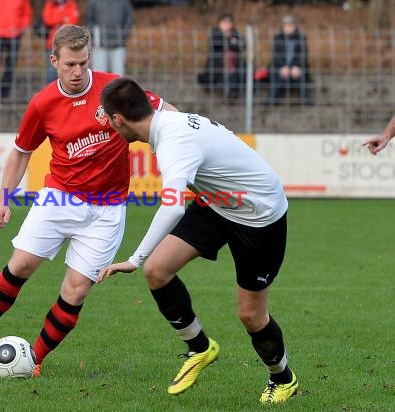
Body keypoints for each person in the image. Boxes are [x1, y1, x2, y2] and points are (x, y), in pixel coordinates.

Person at [0, 25, 176, 376]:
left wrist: (192, 136)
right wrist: (2, 200)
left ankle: (34, 361)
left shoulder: (113, 88)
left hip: (107, 209)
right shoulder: (43, 103)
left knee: (76, 289)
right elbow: (21, 153)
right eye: (69, 64)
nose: (77, 72)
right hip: (59, 197)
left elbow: (164, 114)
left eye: (83, 63)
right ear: (53, 60)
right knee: (20, 265)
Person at [97, 77, 298, 404]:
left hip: (259, 215)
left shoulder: (174, 143)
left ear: (119, 120)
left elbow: (173, 207)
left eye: (108, 119)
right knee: (158, 270)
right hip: (217, 202)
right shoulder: (163, 121)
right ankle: (200, 348)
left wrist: (134, 258)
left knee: (251, 315)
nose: (109, 125)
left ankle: (283, 378)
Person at [0, 0, 33, 111]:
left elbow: (27, 12)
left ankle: (5, 94)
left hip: (15, 33)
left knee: (11, 64)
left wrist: (22, 27)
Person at [197, 13, 246, 101]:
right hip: (217, 64)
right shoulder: (215, 33)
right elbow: (216, 44)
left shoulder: (236, 33)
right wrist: (230, 41)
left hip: (235, 64)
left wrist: (230, 42)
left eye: (230, 22)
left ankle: (231, 91)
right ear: (220, 23)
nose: (228, 25)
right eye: (225, 22)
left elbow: (242, 46)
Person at [267, 15, 312, 106]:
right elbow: (275, 56)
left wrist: (297, 66)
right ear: (283, 26)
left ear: (295, 26)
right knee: (278, 81)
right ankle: (271, 102)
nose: (289, 27)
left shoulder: (301, 38)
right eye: (286, 25)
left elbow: (304, 55)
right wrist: (283, 67)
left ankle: (306, 103)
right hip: (281, 68)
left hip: (296, 68)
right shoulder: (277, 38)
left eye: (291, 25)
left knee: (301, 79)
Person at [86, 0, 133, 76]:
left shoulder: (124, 2)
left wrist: (122, 35)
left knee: (118, 73)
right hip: (99, 45)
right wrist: (96, 35)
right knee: (98, 73)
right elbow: (89, 19)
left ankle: (118, 88)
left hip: (118, 44)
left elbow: (129, 18)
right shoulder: (94, 2)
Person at [41, 0, 81, 84]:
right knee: (52, 69)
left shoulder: (71, 4)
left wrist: (56, 20)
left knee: (68, 68)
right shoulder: (49, 4)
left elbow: (73, 20)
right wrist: (63, 19)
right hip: (52, 43)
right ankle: (51, 91)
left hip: (69, 44)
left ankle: (66, 90)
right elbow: (47, 20)